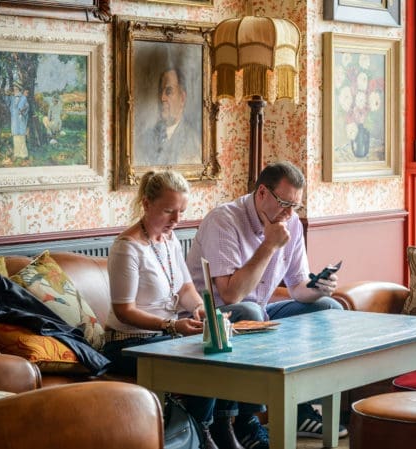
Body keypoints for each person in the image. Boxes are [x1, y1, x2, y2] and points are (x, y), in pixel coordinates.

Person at [187, 161, 348, 449]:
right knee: (250, 311)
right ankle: (247, 421)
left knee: (329, 309)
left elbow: (297, 286)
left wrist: (320, 289)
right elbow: (232, 295)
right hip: (211, 318)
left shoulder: (291, 223)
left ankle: (300, 407)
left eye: (295, 206)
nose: (289, 214)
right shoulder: (224, 221)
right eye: (284, 203)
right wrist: (269, 245)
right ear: (262, 192)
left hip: (259, 310)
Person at [101, 170, 221, 449]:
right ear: (146, 203)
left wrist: (201, 310)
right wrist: (171, 326)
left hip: (165, 339)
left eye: (182, 211)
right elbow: (123, 311)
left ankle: (209, 428)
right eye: (169, 211)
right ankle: (199, 435)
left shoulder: (170, 241)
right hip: (128, 344)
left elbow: (185, 290)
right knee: (205, 361)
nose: (177, 220)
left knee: (221, 350)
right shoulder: (126, 248)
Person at [136, 66, 202, 166]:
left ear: (182, 98)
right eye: (160, 92)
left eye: (169, 91)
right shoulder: (145, 137)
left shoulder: (193, 142)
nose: (162, 98)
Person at [4, 87, 29, 158]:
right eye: (14, 89)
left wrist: (23, 111)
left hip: (21, 120)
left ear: (19, 90)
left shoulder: (23, 98)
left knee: (21, 137)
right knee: (15, 137)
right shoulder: (12, 98)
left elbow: (27, 107)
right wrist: (7, 94)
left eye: (16, 89)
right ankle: (17, 154)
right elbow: (6, 102)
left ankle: (23, 154)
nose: (15, 91)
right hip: (14, 120)